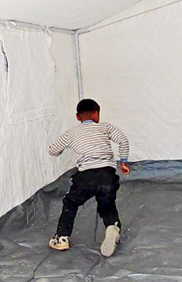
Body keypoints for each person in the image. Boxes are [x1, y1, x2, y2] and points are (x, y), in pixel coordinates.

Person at [47, 98, 130, 257]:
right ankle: (112, 226)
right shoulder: (105, 127)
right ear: (96, 114)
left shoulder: (71, 133)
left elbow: (53, 150)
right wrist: (124, 162)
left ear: (78, 117)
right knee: (107, 204)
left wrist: (62, 150)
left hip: (85, 176)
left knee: (70, 203)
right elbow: (123, 140)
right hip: (107, 175)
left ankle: (62, 238)